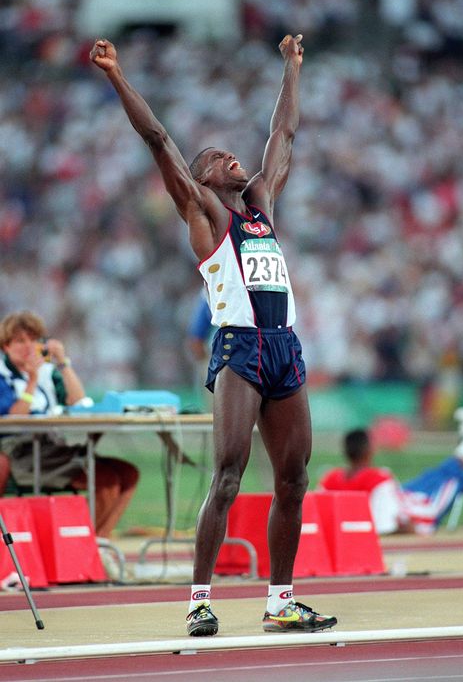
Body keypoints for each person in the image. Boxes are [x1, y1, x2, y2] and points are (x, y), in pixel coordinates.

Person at [91, 33, 337, 636]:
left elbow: (284, 135)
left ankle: (280, 600)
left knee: (295, 478)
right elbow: (159, 141)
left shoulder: (261, 206)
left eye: (230, 152)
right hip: (240, 348)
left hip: (286, 347)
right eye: (215, 156)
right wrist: (117, 74)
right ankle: (200, 599)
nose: (229, 156)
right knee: (227, 471)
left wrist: (290, 67)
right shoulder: (205, 213)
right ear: (199, 179)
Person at [0, 310, 139, 541]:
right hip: (21, 452)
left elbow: (79, 401)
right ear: (5, 346)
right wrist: (32, 380)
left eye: (34, 340)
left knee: (128, 474)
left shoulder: (47, 372)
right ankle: (85, 548)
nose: (28, 347)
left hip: (51, 446)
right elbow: (14, 417)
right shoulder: (4, 375)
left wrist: (62, 363)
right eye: (19, 341)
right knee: (106, 481)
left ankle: (98, 543)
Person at [319, 410, 463, 535]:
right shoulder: (378, 479)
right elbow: (387, 527)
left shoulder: (330, 479)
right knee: (454, 481)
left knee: (432, 476)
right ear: (369, 451)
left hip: (404, 498)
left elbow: (319, 515)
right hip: (414, 512)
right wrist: (412, 530)